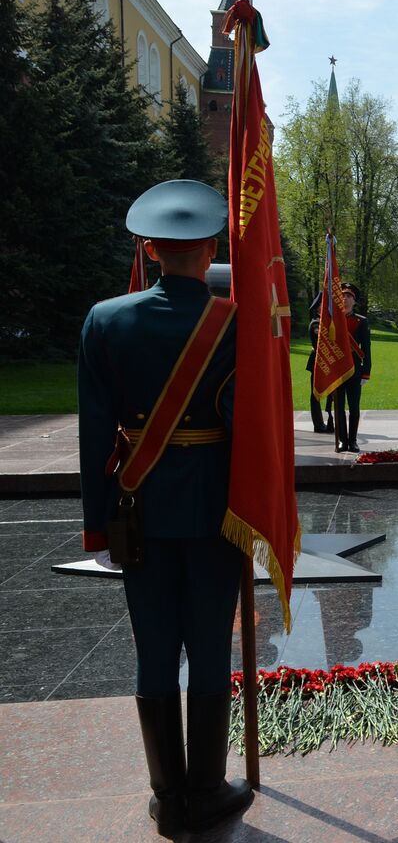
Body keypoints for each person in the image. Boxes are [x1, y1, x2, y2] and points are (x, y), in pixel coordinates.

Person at [77, 180, 253, 836]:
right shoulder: (235, 322)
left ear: (149, 250)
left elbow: (95, 433)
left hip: (139, 505)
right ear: (209, 248)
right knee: (209, 646)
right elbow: (253, 428)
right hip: (217, 506)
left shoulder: (105, 319)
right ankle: (206, 789)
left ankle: (166, 796)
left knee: (153, 648)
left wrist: (98, 519)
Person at [332, 282, 372, 453]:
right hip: (337, 371)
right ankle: (342, 440)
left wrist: (366, 372)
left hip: (355, 371)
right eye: (342, 296)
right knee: (339, 407)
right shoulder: (332, 320)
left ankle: (353, 440)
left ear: (354, 301)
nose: (345, 299)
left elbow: (367, 349)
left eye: (349, 297)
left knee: (354, 407)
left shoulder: (361, 321)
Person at [305, 311, 333, 433]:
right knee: (316, 394)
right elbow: (319, 340)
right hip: (318, 361)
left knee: (332, 393)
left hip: (330, 361)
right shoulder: (316, 323)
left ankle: (331, 420)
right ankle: (318, 424)